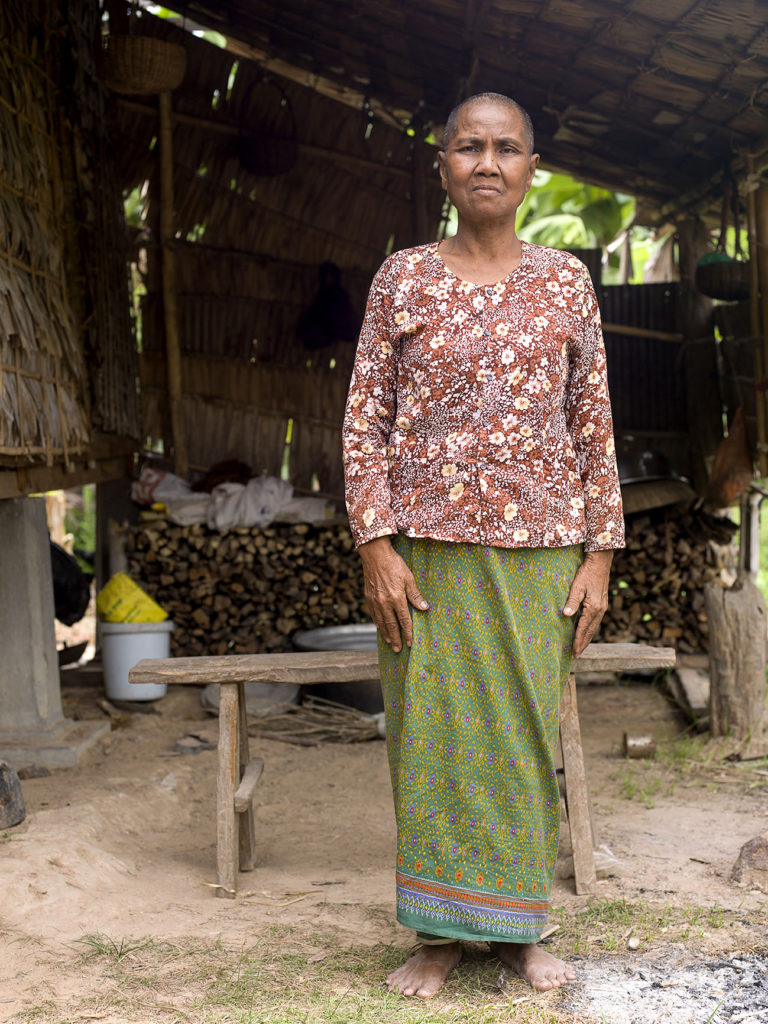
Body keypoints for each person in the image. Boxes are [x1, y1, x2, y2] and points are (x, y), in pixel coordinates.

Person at [342, 92, 624, 999]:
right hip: (423, 554)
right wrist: (375, 545)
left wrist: (600, 555)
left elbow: (593, 427)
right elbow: (364, 424)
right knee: (428, 740)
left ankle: (521, 930)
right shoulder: (403, 279)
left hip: (542, 549)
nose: (489, 162)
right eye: (470, 147)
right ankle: (436, 936)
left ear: (532, 167)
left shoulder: (566, 281)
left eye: (507, 148)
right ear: (444, 168)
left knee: (523, 735)